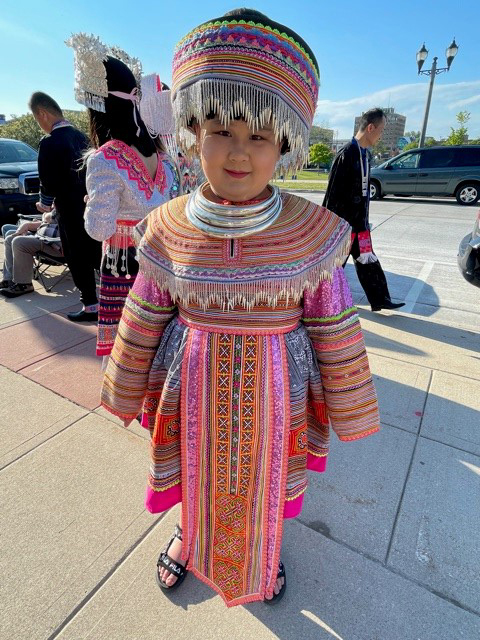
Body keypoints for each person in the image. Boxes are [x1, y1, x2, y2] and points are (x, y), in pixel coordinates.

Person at [101, 8, 380, 606]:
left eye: (258, 136)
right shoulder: (165, 226)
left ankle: (265, 548)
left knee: (266, 478)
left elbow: (333, 323)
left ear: (283, 144)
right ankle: (188, 536)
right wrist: (123, 386)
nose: (238, 152)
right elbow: (146, 312)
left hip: (277, 390)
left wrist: (350, 405)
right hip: (191, 381)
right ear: (193, 134)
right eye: (221, 131)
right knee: (195, 468)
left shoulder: (314, 231)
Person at [66, 34, 181, 357]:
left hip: (126, 272)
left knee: (131, 355)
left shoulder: (104, 159)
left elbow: (99, 230)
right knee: (161, 350)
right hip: (165, 266)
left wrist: (91, 207)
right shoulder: (164, 158)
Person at [28, 92, 102, 320]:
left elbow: (47, 180)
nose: (40, 124)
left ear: (42, 113)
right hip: (92, 207)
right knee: (97, 253)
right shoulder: (82, 137)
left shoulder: (50, 142)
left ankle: (91, 306)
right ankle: (112, 298)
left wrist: (45, 203)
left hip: (69, 211)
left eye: (36, 118)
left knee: (77, 257)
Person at [323, 108, 405, 312]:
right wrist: (330, 228)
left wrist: (364, 222)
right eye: (381, 129)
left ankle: (380, 299)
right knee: (333, 270)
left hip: (360, 226)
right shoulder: (347, 154)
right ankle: (323, 305)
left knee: (369, 262)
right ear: (370, 127)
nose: (381, 135)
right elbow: (333, 194)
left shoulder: (365, 154)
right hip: (343, 229)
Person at [0, 212, 63, 297]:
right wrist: (28, 225)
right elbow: (48, 220)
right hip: (43, 237)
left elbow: (51, 217)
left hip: (56, 244)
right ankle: (9, 279)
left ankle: (25, 284)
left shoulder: (71, 203)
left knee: (19, 242)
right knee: (10, 239)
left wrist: (44, 216)